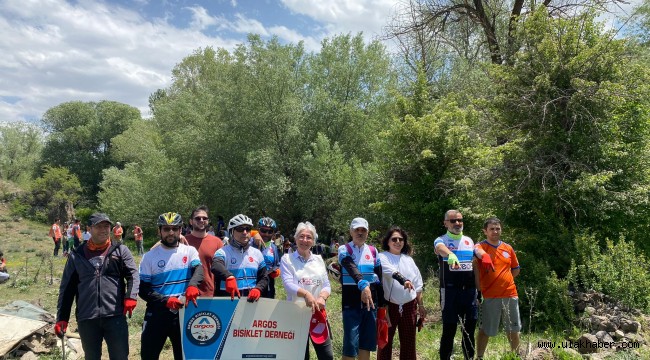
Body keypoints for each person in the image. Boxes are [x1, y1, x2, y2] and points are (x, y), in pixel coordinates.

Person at [55, 213, 139, 360]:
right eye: (98, 226)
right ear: (89, 229)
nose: (103, 230)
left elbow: (133, 275)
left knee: (120, 357)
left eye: (106, 226)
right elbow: (67, 288)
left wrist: (130, 297)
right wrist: (62, 318)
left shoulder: (120, 250)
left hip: (115, 315)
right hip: (87, 318)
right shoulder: (77, 255)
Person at [139, 212, 203, 360]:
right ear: (159, 231)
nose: (171, 232)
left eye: (175, 228)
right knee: (148, 355)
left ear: (181, 230)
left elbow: (199, 270)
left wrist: (192, 285)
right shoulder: (149, 257)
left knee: (184, 356)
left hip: (182, 313)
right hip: (157, 313)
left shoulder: (189, 251)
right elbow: (143, 289)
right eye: (166, 229)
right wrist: (165, 301)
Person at [434, 210, 490, 360]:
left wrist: (479, 291)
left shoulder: (469, 241)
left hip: (469, 292)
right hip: (450, 292)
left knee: (469, 331)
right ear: (445, 223)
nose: (457, 223)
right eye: (453, 221)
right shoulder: (442, 240)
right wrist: (450, 254)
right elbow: (439, 248)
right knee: (449, 330)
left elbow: (475, 268)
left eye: (460, 220)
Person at [280, 222, 333, 360]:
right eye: (301, 236)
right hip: (297, 313)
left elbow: (326, 284)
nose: (305, 240)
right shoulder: (287, 259)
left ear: (313, 241)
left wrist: (322, 297)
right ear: (296, 239)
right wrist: (306, 294)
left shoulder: (319, 260)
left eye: (309, 237)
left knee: (326, 356)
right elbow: (288, 284)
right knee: (301, 356)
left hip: (318, 314)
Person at [474, 218, 521, 360]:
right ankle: (480, 357)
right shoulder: (480, 246)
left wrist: (504, 280)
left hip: (510, 294)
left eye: (497, 229)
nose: (495, 231)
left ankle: (515, 356)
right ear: (485, 231)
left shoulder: (508, 248)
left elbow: (516, 269)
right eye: (492, 229)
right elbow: (475, 250)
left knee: (513, 329)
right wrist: (485, 256)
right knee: (485, 330)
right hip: (489, 296)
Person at [338, 217, 384, 360]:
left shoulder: (373, 251)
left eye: (363, 230)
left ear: (367, 232)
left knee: (366, 344)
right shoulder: (344, 249)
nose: (360, 233)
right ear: (351, 232)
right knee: (350, 346)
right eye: (356, 230)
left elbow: (379, 277)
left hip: (370, 305)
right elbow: (351, 267)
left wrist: (382, 304)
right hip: (351, 303)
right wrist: (363, 284)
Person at [376, 226, 425, 360]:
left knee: (409, 343)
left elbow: (418, 285)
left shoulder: (409, 260)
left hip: (409, 306)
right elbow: (389, 271)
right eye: (394, 239)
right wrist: (404, 280)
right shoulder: (381, 257)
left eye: (401, 239)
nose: (398, 242)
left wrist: (421, 306)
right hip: (388, 306)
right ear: (388, 242)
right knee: (385, 343)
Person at [211, 214, 268, 302]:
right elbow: (216, 265)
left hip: (251, 301)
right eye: (240, 229)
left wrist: (258, 289)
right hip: (228, 301)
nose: (245, 232)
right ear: (231, 232)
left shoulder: (257, 253)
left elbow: (264, 277)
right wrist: (229, 276)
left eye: (248, 229)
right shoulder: (223, 252)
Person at [185, 205, 223, 297]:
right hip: (186, 293)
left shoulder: (217, 242)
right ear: (191, 221)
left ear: (208, 221)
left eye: (204, 218)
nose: (201, 220)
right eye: (198, 218)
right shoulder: (183, 241)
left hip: (209, 293)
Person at [251, 217, 282, 299]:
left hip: (268, 284)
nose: (266, 234)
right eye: (263, 231)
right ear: (258, 230)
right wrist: (254, 233)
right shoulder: (251, 242)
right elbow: (239, 234)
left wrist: (277, 271)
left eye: (270, 231)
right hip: (253, 283)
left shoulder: (274, 247)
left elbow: (277, 264)